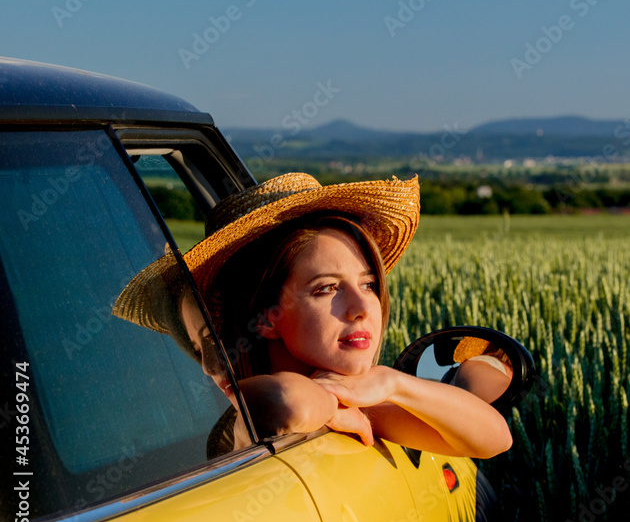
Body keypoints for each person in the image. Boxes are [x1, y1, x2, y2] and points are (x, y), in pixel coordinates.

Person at [116, 173, 511, 459]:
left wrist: (390, 382)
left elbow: (494, 438)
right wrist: (335, 399)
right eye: (327, 289)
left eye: (369, 284)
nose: (360, 308)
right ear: (266, 318)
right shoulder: (258, 405)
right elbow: (282, 401)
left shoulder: (362, 398)